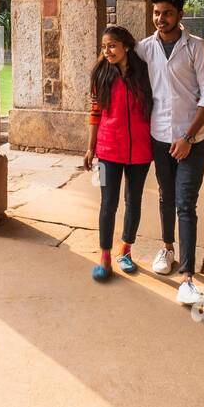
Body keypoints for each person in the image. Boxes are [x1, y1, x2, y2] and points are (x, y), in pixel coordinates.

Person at [137, 0, 204, 305]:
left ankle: (186, 278)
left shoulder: (196, 47)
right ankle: (167, 249)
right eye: (156, 13)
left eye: (167, 13)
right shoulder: (145, 48)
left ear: (179, 14)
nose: (160, 18)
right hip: (159, 136)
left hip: (192, 140)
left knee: (186, 202)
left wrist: (187, 137)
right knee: (165, 196)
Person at [83, 25, 154, 282]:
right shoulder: (100, 74)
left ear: (126, 46)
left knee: (133, 201)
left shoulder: (144, 74)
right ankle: (104, 257)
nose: (107, 51)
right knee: (107, 203)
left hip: (141, 152)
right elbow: (95, 113)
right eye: (104, 47)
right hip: (107, 150)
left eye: (112, 45)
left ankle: (125, 251)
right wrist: (91, 148)